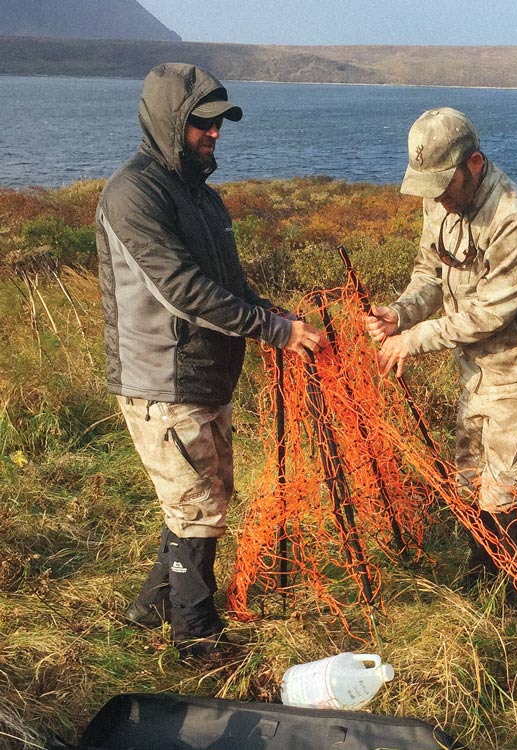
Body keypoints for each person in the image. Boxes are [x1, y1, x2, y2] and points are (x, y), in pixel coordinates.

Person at [96, 63, 324, 659]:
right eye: (202, 124)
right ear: (172, 123)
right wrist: (272, 330)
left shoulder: (202, 196)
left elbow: (229, 284)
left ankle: (151, 607)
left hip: (204, 376)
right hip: (163, 377)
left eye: (219, 124)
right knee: (199, 506)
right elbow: (182, 290)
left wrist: (278, 317)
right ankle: (196, 640)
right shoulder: (132, 195)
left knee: (201, 495)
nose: (214, 134)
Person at [366, 107, 517, 598]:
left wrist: (411, 341)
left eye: (441, 183)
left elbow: (488, 315)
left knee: (505, 493)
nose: (433, 196)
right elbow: (429, 273)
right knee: (471, 485)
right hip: (476, 373)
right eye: (425, 185)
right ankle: (483, 584)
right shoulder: (439, 201)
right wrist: (401, 313)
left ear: (473, 163)